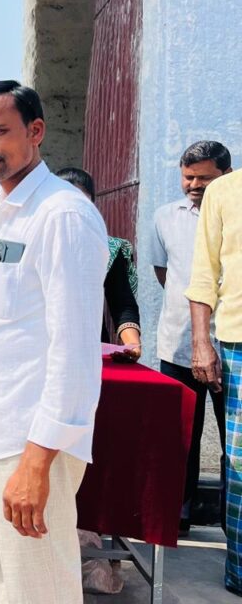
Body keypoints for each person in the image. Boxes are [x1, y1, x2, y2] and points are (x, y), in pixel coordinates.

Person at [0, 81, 107, 604]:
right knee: (2, 586)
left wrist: (37, 463)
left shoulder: (62, 215)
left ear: (35, 131)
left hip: (26, 442)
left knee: (37, 591)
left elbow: (74, 351)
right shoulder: (9, 210)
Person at [150, 141, 232, 534]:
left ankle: (231, 520)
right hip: (180, 345)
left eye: (204, 178)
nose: (194, 185)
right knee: (181, 437)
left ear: (226, 175)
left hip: (230, 346)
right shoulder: (166, 217)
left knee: (234, 444)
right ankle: (177, 515)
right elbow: (164, 273)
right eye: (188, 177)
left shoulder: (233, 214)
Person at [185, 164, 242, 596]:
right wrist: (201, 343)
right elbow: (203, 275)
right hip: (238, 342)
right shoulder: (224, 191)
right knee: (240, 464)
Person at [55, 167, 142, 360]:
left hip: (89, 349)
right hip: (37, 347)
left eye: (81, 201)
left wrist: (132, 345)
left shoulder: (108, 248)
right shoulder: (31, 243)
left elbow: (121, 303)